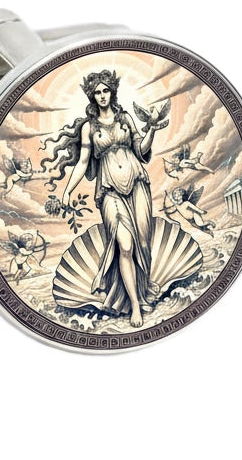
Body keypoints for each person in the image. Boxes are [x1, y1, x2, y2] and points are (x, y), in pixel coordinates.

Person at [40, 70, 162, 327]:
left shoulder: (125, 118)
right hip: (108, 190)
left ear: (112, 92)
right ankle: (135, 306)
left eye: (106, 90)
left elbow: (141, 150)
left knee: (142, 242)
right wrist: (67, 190)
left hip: (137, 183)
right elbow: (83, 162)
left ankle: (140, 292)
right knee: (125, 246)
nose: (102, 95)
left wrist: (151, 129)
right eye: (97, 92)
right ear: (92, 96)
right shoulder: (89, 127)